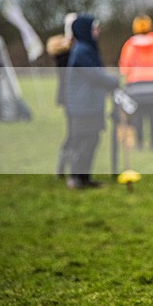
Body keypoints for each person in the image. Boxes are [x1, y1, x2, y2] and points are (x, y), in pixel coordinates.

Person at [64, 14, 120, 189]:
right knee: (84, 142)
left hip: (89, 105)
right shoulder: (82, 50)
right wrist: (114, 81)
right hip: (83, 106)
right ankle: (76, 178)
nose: (98, 31)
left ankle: (85, 178)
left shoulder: (86, 49)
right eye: (94, 28)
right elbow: (95, 75)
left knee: (91, 141)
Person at [118, 15, 153, 150]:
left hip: (136, 87)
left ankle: (140, 143)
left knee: (138, 117)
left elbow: (124, 67)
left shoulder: (130, 45)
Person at [46, 12, 76, 177]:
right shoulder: (65, 53)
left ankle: (68, 167)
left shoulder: (69, 50)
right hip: (70, 96)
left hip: (70, 96)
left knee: (74, 131)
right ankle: (65, 166)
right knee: (73, 132)